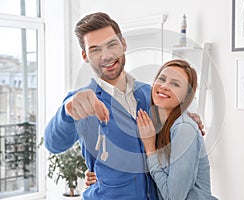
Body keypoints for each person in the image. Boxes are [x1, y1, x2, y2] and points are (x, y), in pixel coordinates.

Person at [44, 12, 205, 200]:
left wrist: (186, 118)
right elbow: (53, 143)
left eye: (112, 44)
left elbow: (170, 131)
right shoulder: (82, 102)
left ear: (123, 44)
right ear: (85, 56)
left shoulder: (150, 94)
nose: (106, 56)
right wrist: (66, 112)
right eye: (95, 49)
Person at [137, 59, 218, 200]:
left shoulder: (184, 129)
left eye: (175, 84)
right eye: (161, 79)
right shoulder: (155, 126)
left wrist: (150, 149)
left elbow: (173, 197)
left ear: (186, 96)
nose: (164, 86)